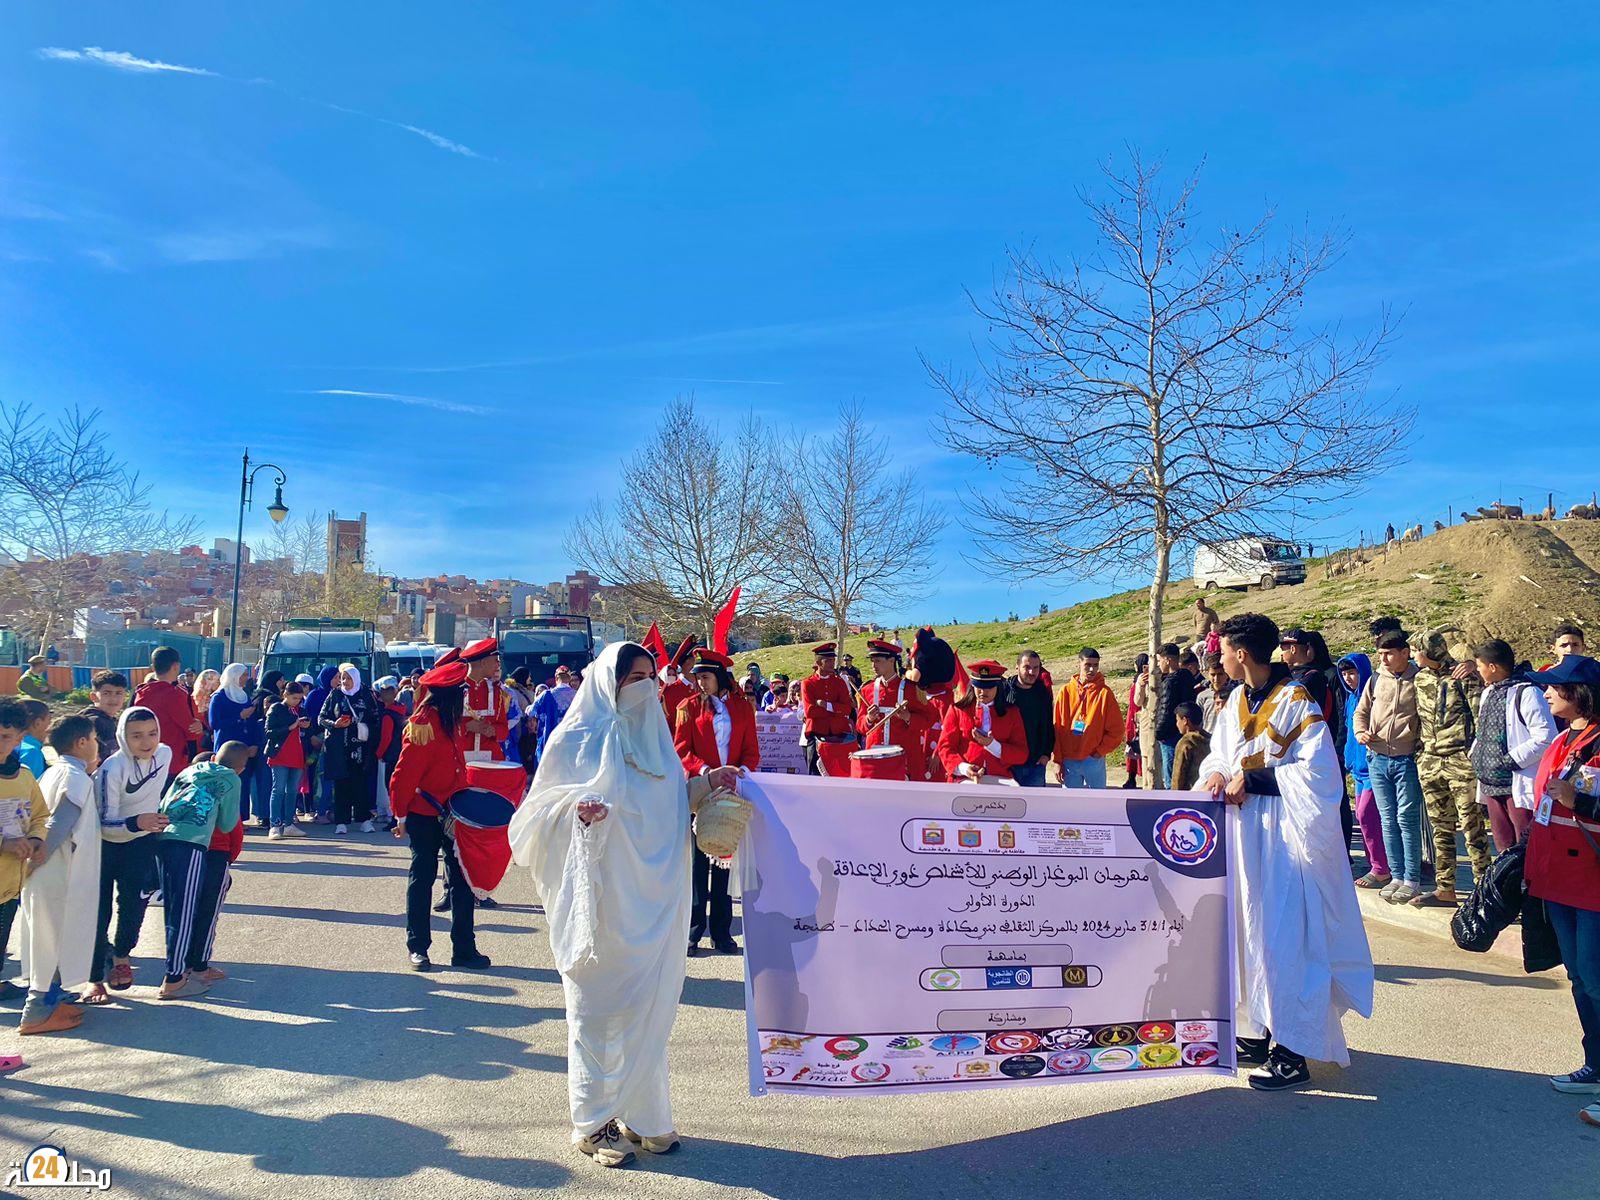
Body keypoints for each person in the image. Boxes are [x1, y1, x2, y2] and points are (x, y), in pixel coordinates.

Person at [509, 641, 742, 1167]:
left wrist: (709, 784)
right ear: (606, 682)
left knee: (646, 1009)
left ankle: (646, 1118)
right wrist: (577, 811)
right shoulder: (577, 738)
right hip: (598, 902)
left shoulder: (656, 738)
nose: (643, 687)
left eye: (648, 676)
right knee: (597, 1010)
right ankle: (593, 1123)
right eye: (632, 677)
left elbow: (670, 799)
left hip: (654, 901)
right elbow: (530, 820)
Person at [1199, 613, 1373, 1091]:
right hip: (1243, 834)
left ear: (1243, 654)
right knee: (1246, 932)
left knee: (1285, 939)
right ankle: (1256, 1028)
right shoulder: (1235, 697)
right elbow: (1220, 752)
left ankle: (1293, 1049)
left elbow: (1321, 776)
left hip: (1284, 838)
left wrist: (1253, 779)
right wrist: (1216, 773)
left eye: (1225, 652)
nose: (1220, 659)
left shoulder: (1297, 700)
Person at [1520, 654, 1600, 1124]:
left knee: (1596, 977)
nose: (1546, 693)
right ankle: (1594, 1064)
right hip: (1559, 879)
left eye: (1555, 686)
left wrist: (1583, 800)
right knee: (1579, 976)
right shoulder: (1564, 739)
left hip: (1591, 882)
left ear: (1581, 693)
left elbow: (1577, 801)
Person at [388, 660, 487, 972]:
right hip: (424, 814)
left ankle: (464, 949)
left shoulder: (450, 721)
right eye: (461, 693)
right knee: (422, 879)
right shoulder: (423, 724)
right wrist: (400, 815)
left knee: (462, 882)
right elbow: (403, 775)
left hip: (454, 814)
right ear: (449, 696)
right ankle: (418, 947)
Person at [18, 715, 101, 1034]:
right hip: (55, 873)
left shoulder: (56, 772)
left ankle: (52, 1002)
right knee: (49, 940)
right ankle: (35, 1014)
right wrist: (33, 863)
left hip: (48, 873)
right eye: (94, 738)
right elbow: (55, 828)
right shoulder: (75, 777)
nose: (97, 744)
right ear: (81, 742)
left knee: (51, 937)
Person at [673, 649, 758, 956]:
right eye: (697, 677)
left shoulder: (742, 708)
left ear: (720, 677)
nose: (700, 683)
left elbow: (751, 750)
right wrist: (709, 772)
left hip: (731, 789)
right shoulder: (688, 707)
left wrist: (740, 774)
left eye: (705, 677)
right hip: (703, 788)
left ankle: (722, 933)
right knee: (698, 865)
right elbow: (681, 749)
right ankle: (694, 930)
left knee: (723, 861)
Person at [83, 707, 171, 1003]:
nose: (147, 742)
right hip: (105, 845)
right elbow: (105, 823)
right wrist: (138, 821)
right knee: (99, 912)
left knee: (134, 903)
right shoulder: (112, 768)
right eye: (136, 736)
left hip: (141, 842)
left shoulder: (165, 754)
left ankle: (122, 955)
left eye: (152, 733)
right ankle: (94, 978)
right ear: (123, 737)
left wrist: (154, 821)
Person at [154, 742, 245, 999]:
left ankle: (184, 970)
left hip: (165, 838)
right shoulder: (230, 779)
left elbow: (164, 803)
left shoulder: (188, 772)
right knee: (189, 912)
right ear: (240, 769)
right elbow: (229, 825)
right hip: (197, 845)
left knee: (176, 908)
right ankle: (176, 978)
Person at [1412, 630, 1489, 905]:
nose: (1413, 654)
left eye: (1416, 650)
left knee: (1472, 828)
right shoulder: (1419, 678)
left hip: (1460, 761)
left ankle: (1482, 891)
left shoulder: (1463, 677)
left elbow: (1480, 718)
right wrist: (1420, 755)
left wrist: (1473, 757)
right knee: (1440, 828)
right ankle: (1445, 888)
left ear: (1428, 651)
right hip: (1430, 762)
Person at [1353, 630, 1426, 904]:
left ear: (1405, 653)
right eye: (1380, 654)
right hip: (1377, 758)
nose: (1383, 659)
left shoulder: (1419, 680)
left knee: (1407, 820)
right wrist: (1361, 732)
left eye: (1389, 653)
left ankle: (1412, 879)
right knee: (1387, 819)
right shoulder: (1375, 680)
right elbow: (1360, 712)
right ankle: (1395, 875)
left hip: (1406, 760)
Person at [1470, 639, 1556, 853]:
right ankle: (1506, 887)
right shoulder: (1488, 693)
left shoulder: (1527, 693)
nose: (1479, 671)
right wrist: (1475, 754)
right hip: (1490, 785)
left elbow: (1546, 736)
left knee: (1525, 848)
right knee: (1503, 848)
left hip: (1515, 785)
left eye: (1480, 666)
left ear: (1493, 667)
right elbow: (1482, 731)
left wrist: (1510, 761)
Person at [0, 698, 47, 1004]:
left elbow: (41, 816)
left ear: (19, 738)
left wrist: (35, 840)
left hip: (11, 881)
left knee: (2, 935)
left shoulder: (26, 776)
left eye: (5, 737)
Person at [1339, 653, 1390, 889]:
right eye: (1345, 673)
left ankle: (1382, 868)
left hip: (1372, 768)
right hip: (1357, 770)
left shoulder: (1373, 697)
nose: (1349, 678)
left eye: (1353, 672)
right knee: (1366, 817)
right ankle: (1375, 863)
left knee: (1366, 815)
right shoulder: (1350, 699)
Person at [857, 638, 936, 781]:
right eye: (872, 661)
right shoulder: (867, 689)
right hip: (875, 759)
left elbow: (929, 719)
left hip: (905, 760)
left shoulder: (912, 689)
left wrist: (908, 717)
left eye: (878, 661)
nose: (874, 665)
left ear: (892, 661)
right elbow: (860, 727)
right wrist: (868, 719)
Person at [937, 660, 1029, 782]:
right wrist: (964, 768)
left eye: (989, 688)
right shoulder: (958, 710)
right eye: (978, 687)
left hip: (1000, 777)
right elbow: (945, 747)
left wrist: (992, 745)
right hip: (963, 778)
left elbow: (1021, 753)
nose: (982, 692)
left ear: (998, 686)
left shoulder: (1012, 713)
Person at [319, 663, 380, 835]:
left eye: (348, 678)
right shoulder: (335, 695)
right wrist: (335, 724)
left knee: (361, 785)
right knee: (341, 785)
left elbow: (376, 718)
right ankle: (341, 821)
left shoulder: (366, 694)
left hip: (361, 748)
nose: (345, 681)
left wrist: (365, 729)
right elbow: (321, 718)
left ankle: (364, 820)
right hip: (339, 748)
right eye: (342, 678)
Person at [1053, 648, 1122, 788]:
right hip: (1069, 760)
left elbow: (1117, 729)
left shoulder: (1105, 693)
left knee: (1097, 803)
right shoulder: (1065, 692)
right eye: (1088, 665)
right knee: (1070, 804)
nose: (1091, 669)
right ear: (1079, 664)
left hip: (1093, 760)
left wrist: (1099, 752)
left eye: (1095, 665)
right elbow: (1056, 728)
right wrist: (1057, 760)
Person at [134, 646, 202, 777]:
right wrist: (197, 725)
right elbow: (191, 730)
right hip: (170, 760)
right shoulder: (174, 695)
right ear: (176, 666)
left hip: (143, 758)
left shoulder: (140, 692)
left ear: (153, 667)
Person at [799, 643, 855, 776]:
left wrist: (827, 705)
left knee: (840, 773)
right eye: (828, 661)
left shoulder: (839, 682)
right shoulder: (807, 683)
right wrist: (836, 710)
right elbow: (810, 712)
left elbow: (847, 709)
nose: (832, 664)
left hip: (838, 734)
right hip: (817, 734)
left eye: (833, 660)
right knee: (815, 774)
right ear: (818, 662)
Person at [264, 682, 311, 840]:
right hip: (280, 755)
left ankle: (289, 823)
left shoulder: (301, 710)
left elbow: (308, 730)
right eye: (293, 698)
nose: (296, 701)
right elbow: (269, 732)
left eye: (299, 698)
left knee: (292, 790)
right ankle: (275, 825)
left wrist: (306, 725)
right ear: (285, 695)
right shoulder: (277, 708)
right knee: (278, 789)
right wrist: (291, 726)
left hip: (297, 755)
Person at [1003, 652, 1055, 787]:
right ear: (1017, 667)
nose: (1032, 672)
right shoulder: (1004, 691)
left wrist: (1046, 754)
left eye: (1036, 667)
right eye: (1027, 667)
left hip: (1035, 764)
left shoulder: (1043, 694)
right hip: (1009, 765)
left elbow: (1049, 726)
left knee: (1036, 807)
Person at [1151, 643, 1197, 788]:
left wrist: (1159, 732)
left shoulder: (1170, 682)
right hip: (1185, 728)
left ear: (1168, 660)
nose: (1159, 664)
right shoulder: (1187, 677)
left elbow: (1166, 708)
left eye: (1160, 661)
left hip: (1170, 733)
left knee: (1171, 777)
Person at [459, 639, 508, 763]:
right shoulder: (455, 690)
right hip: (458, 760)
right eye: (495, 661)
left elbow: (504, 730)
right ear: (483, 662)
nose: (498, 665)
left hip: (490, 761)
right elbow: (441, 728)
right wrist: (466, 727)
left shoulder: (497, 691)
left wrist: (493, 730)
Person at [531, 664, 580, 765]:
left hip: (551, 738)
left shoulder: (547, 694)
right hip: (571, 739)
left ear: (556, 678)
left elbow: (531, 711)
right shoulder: (577, 695)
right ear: (569, 678)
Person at [374, 678, 407, 827]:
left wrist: (379, 754)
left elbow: (385, 738)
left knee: (391, 788)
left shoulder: (387, 715)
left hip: (391, 755)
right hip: (402, 753)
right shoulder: (402, 710)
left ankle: (395, 818)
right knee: (401, 787)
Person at [77, 669, 128, 766]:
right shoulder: (94, 722)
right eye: (106, 693)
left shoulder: (111, 720)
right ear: (93, 697)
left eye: (118, 693)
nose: (113, 699)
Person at [1169, 701, 1211, 791]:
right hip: (1208, 790)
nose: (1177, 724)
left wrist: (1174, 796)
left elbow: (1178, 776)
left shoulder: (1186, 743)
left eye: (1177, 720)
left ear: (1185, 721)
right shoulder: (1211, 740)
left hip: (1190, 794)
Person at [1122, 653, 1148, 788]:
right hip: (1134, 718)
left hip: (1135, 719)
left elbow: (1136, 703)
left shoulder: (1140, 681)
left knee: (1136, 748)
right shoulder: (1139, 680)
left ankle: (1133, 778)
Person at [1195, 654, 1232, 733]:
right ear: (1208, 674)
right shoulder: (1202, 696)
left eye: (1220, 674)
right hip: (1208, 737)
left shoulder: (1234, 694)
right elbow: (1198, 721)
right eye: (1213, 675)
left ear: (1227, 674)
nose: (1216, 679)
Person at [191, 669, 221, 754]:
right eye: (217, 680)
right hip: (198, 741)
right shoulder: (192, 699)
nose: (220, 683)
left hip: (210, 740)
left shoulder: (216, 698)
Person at [17, 701, 49, 780]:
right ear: (37, 723)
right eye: (49, 720)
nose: (50, 727)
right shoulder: (31, 752)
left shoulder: (11, 745)